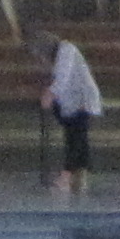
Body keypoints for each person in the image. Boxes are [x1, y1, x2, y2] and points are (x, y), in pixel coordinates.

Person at [44, 32, 103, 197]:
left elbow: (62, 79)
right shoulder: (60, 54)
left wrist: (50, 93)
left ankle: (66, 176)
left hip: (82, 100)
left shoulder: (66, 50)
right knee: (77, 137)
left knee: (76, 137)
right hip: (71, 102)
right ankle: (80, 174)